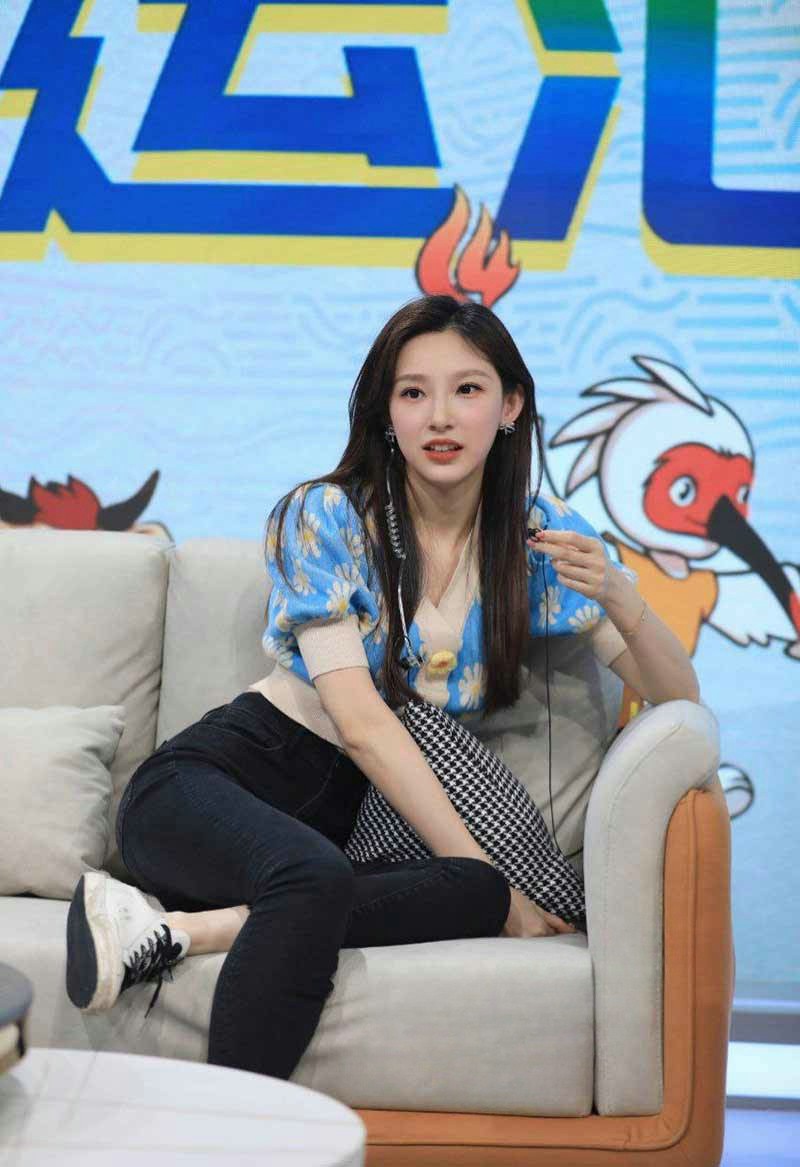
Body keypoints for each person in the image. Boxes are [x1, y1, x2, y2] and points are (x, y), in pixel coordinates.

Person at [65, 294, 700, 1081]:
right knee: (344, 877)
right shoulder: (325, 515)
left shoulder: (537, 538)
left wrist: (619, 595)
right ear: (386, 413)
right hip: (211, 786)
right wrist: (504, 889)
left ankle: (172, 932)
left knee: (467, 887)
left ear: (510, 405)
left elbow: (680, 700)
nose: (440, 416)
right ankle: (236, 1126)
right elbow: (362, 724)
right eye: (413, 392)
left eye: (468, 389)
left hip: (341, 830)